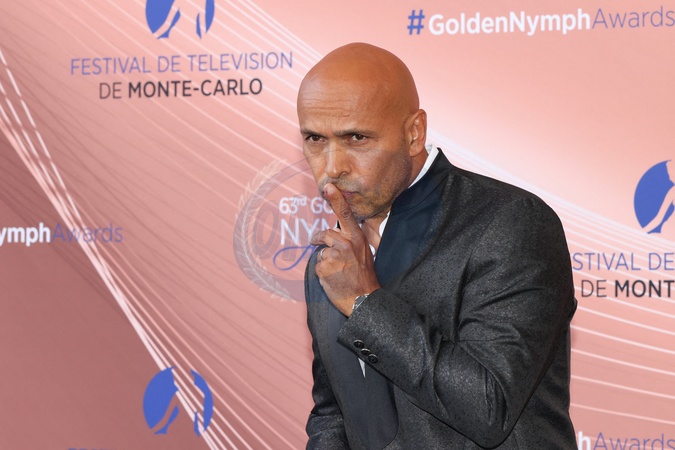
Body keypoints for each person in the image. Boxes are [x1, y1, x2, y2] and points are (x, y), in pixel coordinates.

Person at [298, 42, 577, 449]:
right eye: (314, 139)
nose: (332, 166)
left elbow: (489, 407)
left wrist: (363, 303)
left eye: (356, 137)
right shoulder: (331, 258)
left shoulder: (510, 223)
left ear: (413, 134)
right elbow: (334, 412)